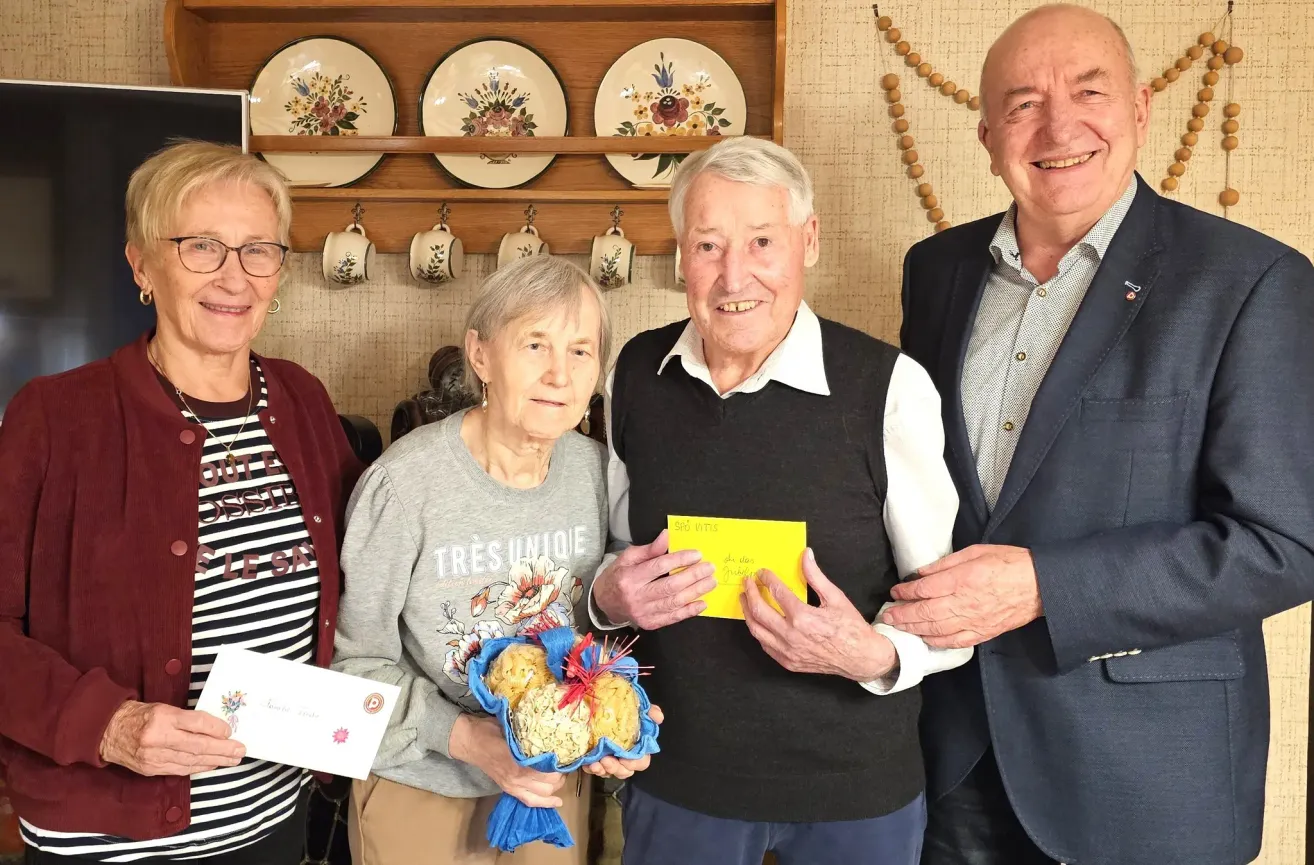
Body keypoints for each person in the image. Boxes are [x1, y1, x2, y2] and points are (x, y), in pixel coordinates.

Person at [891, 5, 1314, 865]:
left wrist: (1044, 586)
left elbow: (1284, 543)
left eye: (1090, 93)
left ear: (1141, 109)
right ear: (988, 136)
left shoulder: (1253, 280)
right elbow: (913, 486)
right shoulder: (935, 272)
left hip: (1143, 782)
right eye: (1022, 104)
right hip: (952, 763)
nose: (1058, 128)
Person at [587, 136, 971, 865]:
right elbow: (614, 553)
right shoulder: (636, 372)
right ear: (681, 256)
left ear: (809, 240)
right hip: (677, 780)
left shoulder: (889, 389)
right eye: (708, 245)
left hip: (855, 794)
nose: (735, 275)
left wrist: (875, 653)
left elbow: (950, 608)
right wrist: (607, 597)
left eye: (762, 241)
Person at [0, 140, 364, 863]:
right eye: (201, 246)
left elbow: (368, 571)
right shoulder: (57, 417)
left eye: (258, 249)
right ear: (142, 265)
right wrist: (108, 725)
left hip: (270, 822)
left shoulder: (302, 399)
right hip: (106, 840)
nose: (234, 275)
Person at [333, 256, 650, 865]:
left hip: (550, 786)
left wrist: (615, 714)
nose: (559, 374)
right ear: (479, 354)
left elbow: (604, 620)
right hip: (424, 785)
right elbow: (352, 668)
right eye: (535, 345)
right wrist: (471, 740)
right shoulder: (403, 487)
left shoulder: (597, 474)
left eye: (580, 351)